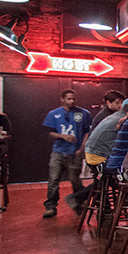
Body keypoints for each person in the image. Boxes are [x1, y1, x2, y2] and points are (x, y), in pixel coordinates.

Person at [66, 97, 128, 211]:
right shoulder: (125, 120)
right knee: (125, 177)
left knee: (106, 180)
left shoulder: (114, 116)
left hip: (93, 155)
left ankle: (104, 207)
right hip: (99, 157)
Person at [42, 89, 92, 218]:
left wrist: (81, 148)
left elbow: (87, 132)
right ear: (62, 99)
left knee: (75, 180)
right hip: (58, 151)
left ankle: (78, 203)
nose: (72, 101)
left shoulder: (84, 113)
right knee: (53, 180)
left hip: (75, 152)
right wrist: (62, 136)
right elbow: (49, 132)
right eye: (69, 99)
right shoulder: (54, 114)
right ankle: (51, 206)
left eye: (74, 99)